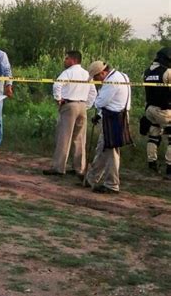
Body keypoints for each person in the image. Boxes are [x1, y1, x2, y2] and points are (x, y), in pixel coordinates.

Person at [43, 51, 97, 177]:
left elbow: (57, 84)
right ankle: (79, 168)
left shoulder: (68, 72)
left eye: (66, 58)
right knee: (80, 138)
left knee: (64, 137)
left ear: (73, 60)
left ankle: (59, 167)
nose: (64, 61)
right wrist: (87, 105)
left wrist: (58, 99)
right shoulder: (86, 74)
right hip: (82, 106)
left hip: (69, 105)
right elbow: (93, 92)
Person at [85, 61, 131, 194]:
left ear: (102, 73)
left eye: (96, 77)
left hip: (114, 118)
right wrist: (99, 115)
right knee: (102, 149)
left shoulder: (111, 82)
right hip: (115, 116)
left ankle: (112, 184)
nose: (95, 80)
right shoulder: (122, 76)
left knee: (111, 152)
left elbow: (101, 101)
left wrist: (98, 105)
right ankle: (91, 178)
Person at [143, 47, 171, 179]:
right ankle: (170, 167)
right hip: (165, 110)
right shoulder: (168, 72)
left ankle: (152, 164)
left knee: (153, 135)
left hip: (150, 109)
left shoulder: (147, 72)